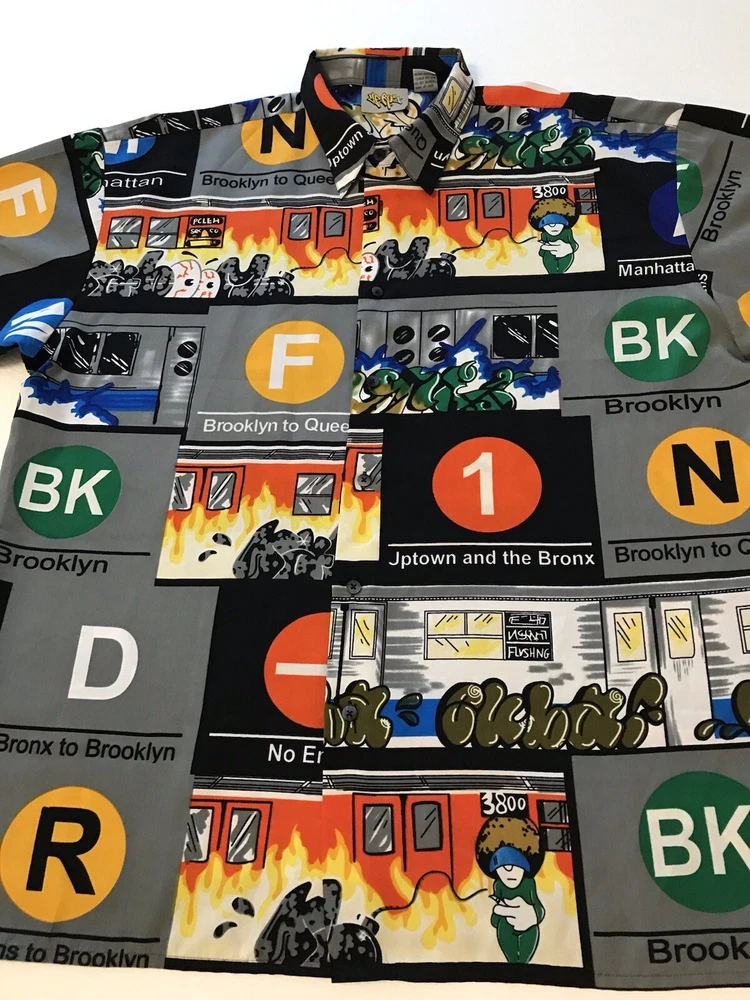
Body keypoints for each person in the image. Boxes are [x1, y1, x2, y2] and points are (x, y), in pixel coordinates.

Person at [476, 815, 546, 963]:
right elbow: (497, 910)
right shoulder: (498, 885)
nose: (509, 872)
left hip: (528, 927)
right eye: (501, 866)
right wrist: (497, 916)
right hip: (505, 926)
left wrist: (534, 915)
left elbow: (538, 907)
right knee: (509, 948)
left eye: (516, 865)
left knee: (527, 944)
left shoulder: (528, 884)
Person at [529, 196, 580, 274]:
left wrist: (569, 248)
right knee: (550, 265)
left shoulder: (567, 232)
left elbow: (574, 244)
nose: (553, 226)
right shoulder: (544, 234)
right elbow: (542, 250)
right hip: (549, 256)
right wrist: (542, 250)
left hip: (566, 256)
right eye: (547, 224)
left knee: (562, 267)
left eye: (558, 222)